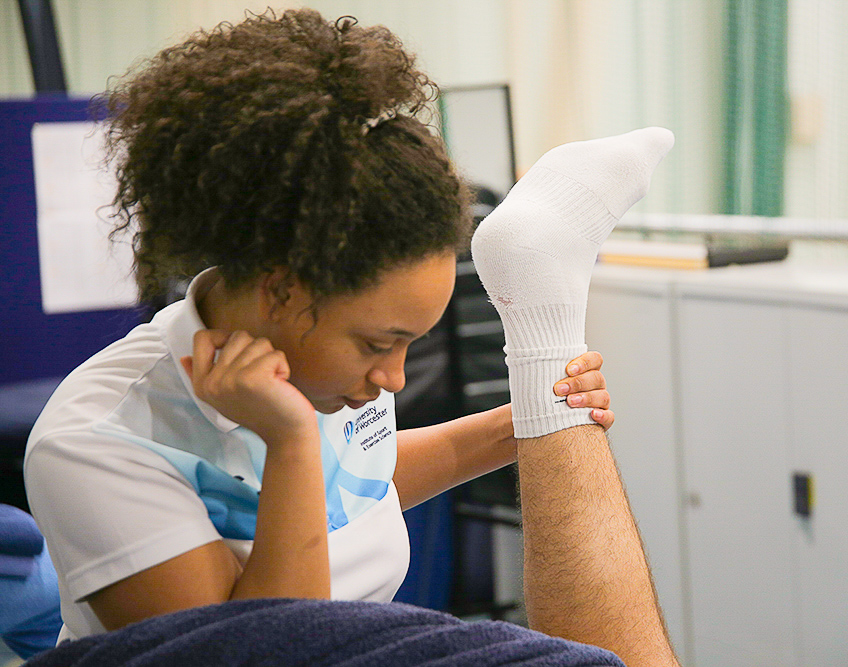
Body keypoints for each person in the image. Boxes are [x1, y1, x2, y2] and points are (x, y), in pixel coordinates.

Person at [23, 8, 679, 667]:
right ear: (281, 292)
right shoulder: (98, 441)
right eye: (377, 344)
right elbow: (280, 648)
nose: (393, 378)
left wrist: (529, 420)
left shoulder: (320, 363)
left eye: (407, 345)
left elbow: (362, 482)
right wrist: (291, 442)